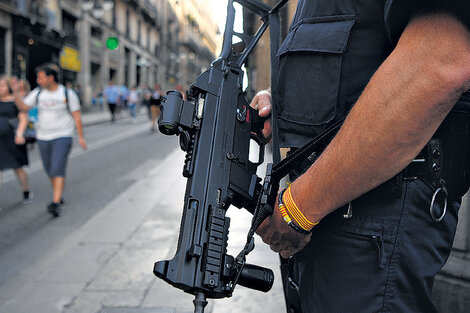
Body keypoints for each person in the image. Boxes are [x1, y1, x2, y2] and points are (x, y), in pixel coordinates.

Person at [252, 1, 470, 312]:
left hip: (374, 229)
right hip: (334, 229)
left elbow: (440, 60)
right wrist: (289, 102)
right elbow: (355, 67)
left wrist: (297, 209)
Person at [13, 63, 87, 217]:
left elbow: (77, 116)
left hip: (63, 135)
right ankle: (58, 194)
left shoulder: (67, 93)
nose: (38, 81)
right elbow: (24, 107)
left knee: (57, 167)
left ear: (50, 78)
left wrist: (80, 137)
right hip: (43, 137)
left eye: (41, 78)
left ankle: (56, 202)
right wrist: (15, 93)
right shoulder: (38, 93)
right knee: (49, 169)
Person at [0, 76, 33, 203]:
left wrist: (19, 134)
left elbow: (23, 116)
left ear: (8, 87)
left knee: (18, 168)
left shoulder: (15, 100)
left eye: (2, 85)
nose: (0, 88)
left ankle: (26, 190)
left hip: (13, 139)